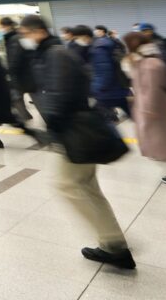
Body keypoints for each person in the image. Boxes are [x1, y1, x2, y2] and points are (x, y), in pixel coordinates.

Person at [20, 14, 134, 269]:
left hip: (72, 131)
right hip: (77, 129)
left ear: (37, 32)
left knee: (65, 184)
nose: (23, 39)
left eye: (25, 34)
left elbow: (62, 95)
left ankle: (114, 243)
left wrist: (52, 128)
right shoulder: (53, 52)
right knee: (88, 187)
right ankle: (113, 245)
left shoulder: (55, 54)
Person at [123, 31, 166, 187]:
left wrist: (148, 110)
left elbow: (152, 89)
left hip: (158, 109)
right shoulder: (151, 59)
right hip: (161, 108)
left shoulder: (150, 64)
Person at [83, 25, 129, 122]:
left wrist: (95, 88)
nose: (97, 32)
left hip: (109, 89)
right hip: (116, 86)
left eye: (98, 31)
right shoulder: (104, 44)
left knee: (100, 116)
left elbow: (104, 71)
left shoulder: (99, 47)